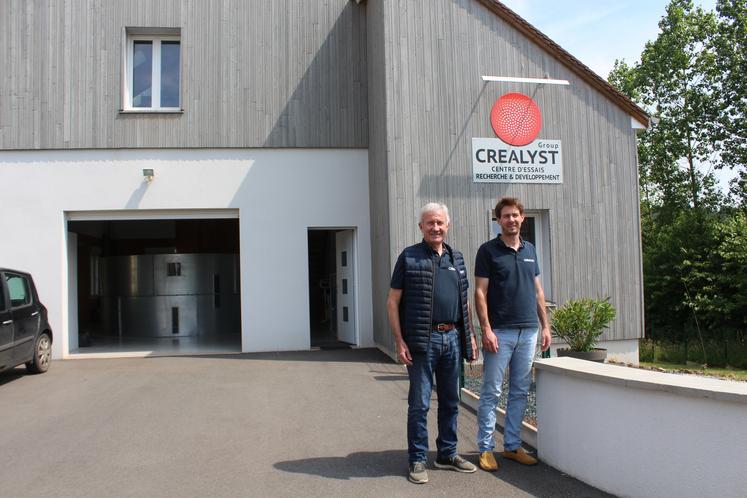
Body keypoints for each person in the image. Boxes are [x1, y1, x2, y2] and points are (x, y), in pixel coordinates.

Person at [387, 202, 479, 484]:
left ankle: (447, 454)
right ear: (421, 227)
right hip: (421, 340)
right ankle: (417, 459)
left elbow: (465, 301)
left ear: (447, 226)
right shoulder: (409, 257)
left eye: (440, 223)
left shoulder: (457, 258)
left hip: (452, 338)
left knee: (451, 401)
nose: (435, 227)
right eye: (430, 223)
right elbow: (393, 302)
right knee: (419, 403)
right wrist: (399, 341)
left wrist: (471, 336)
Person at [474, 196, 551, 471]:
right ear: (498, 220)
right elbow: (480, 292)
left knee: (519, 391)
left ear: (522, 218)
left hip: (529, 331)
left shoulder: (531, 249)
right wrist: (486, 329)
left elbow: (538, 291)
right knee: (491, 391)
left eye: (515, 215)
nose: (511, 220)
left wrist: (545, 326)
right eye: (506, 216)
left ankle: (512, 446)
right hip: (500, 333)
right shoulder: (488, 251)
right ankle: (485, 448)